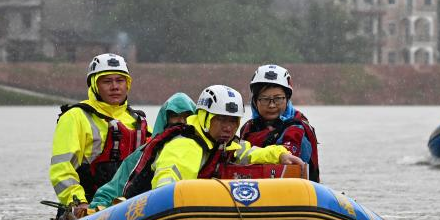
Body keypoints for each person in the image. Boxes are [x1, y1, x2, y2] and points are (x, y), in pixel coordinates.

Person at [121, 85, 305, 198]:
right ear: (205, 117)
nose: (228, 127)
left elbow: (250, 153)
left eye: (233, 121)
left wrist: (280, 155)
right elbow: (167, 184)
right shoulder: (185, 145)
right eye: (221, 120)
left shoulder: (223, 143)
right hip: (146, 211)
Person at [49, 53, 149, 218]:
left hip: (128, 206)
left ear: (127, 84)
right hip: (87, 206)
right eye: (107, 81)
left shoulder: (137, 120)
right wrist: (78, 202)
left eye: (120, 80)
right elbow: (62, 168)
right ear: (94, 85)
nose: (115, 87)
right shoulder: (75, 117)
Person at [88, 92, 196, 210]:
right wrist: (94, 212)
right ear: (165, 120)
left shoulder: (210, 151)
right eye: (175, 116)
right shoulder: (143, 154)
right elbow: (111, 191)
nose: (181, 121)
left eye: (186, 116)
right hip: (150, 213)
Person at [239, 64, 321, 182]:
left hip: (293, 190)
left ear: (287, 99)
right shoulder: (248, 127)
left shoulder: (297, 127)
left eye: (278, 99)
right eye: (265, 99)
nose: (272, 105)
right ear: (255, 101)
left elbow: (290, 155)